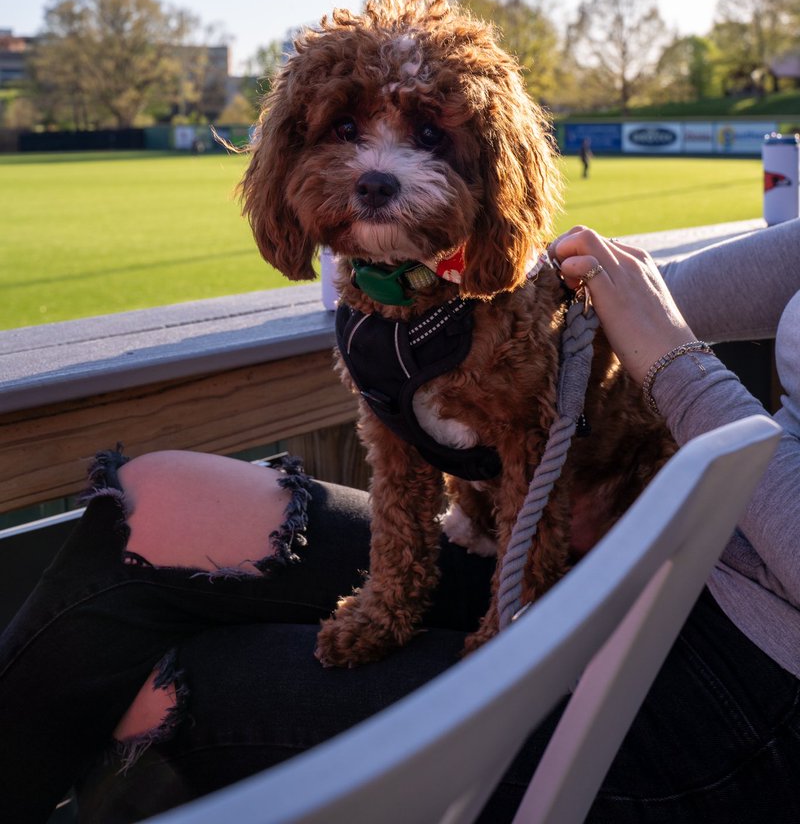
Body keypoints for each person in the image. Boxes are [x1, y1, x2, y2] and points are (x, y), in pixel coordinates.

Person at [1, 219, 799, 824]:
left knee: (177, 697)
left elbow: (661, 334)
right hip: (660, 556)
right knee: (160, 503)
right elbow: (659, 295)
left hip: (747, 694)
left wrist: (668, 357)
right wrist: (496, 294)